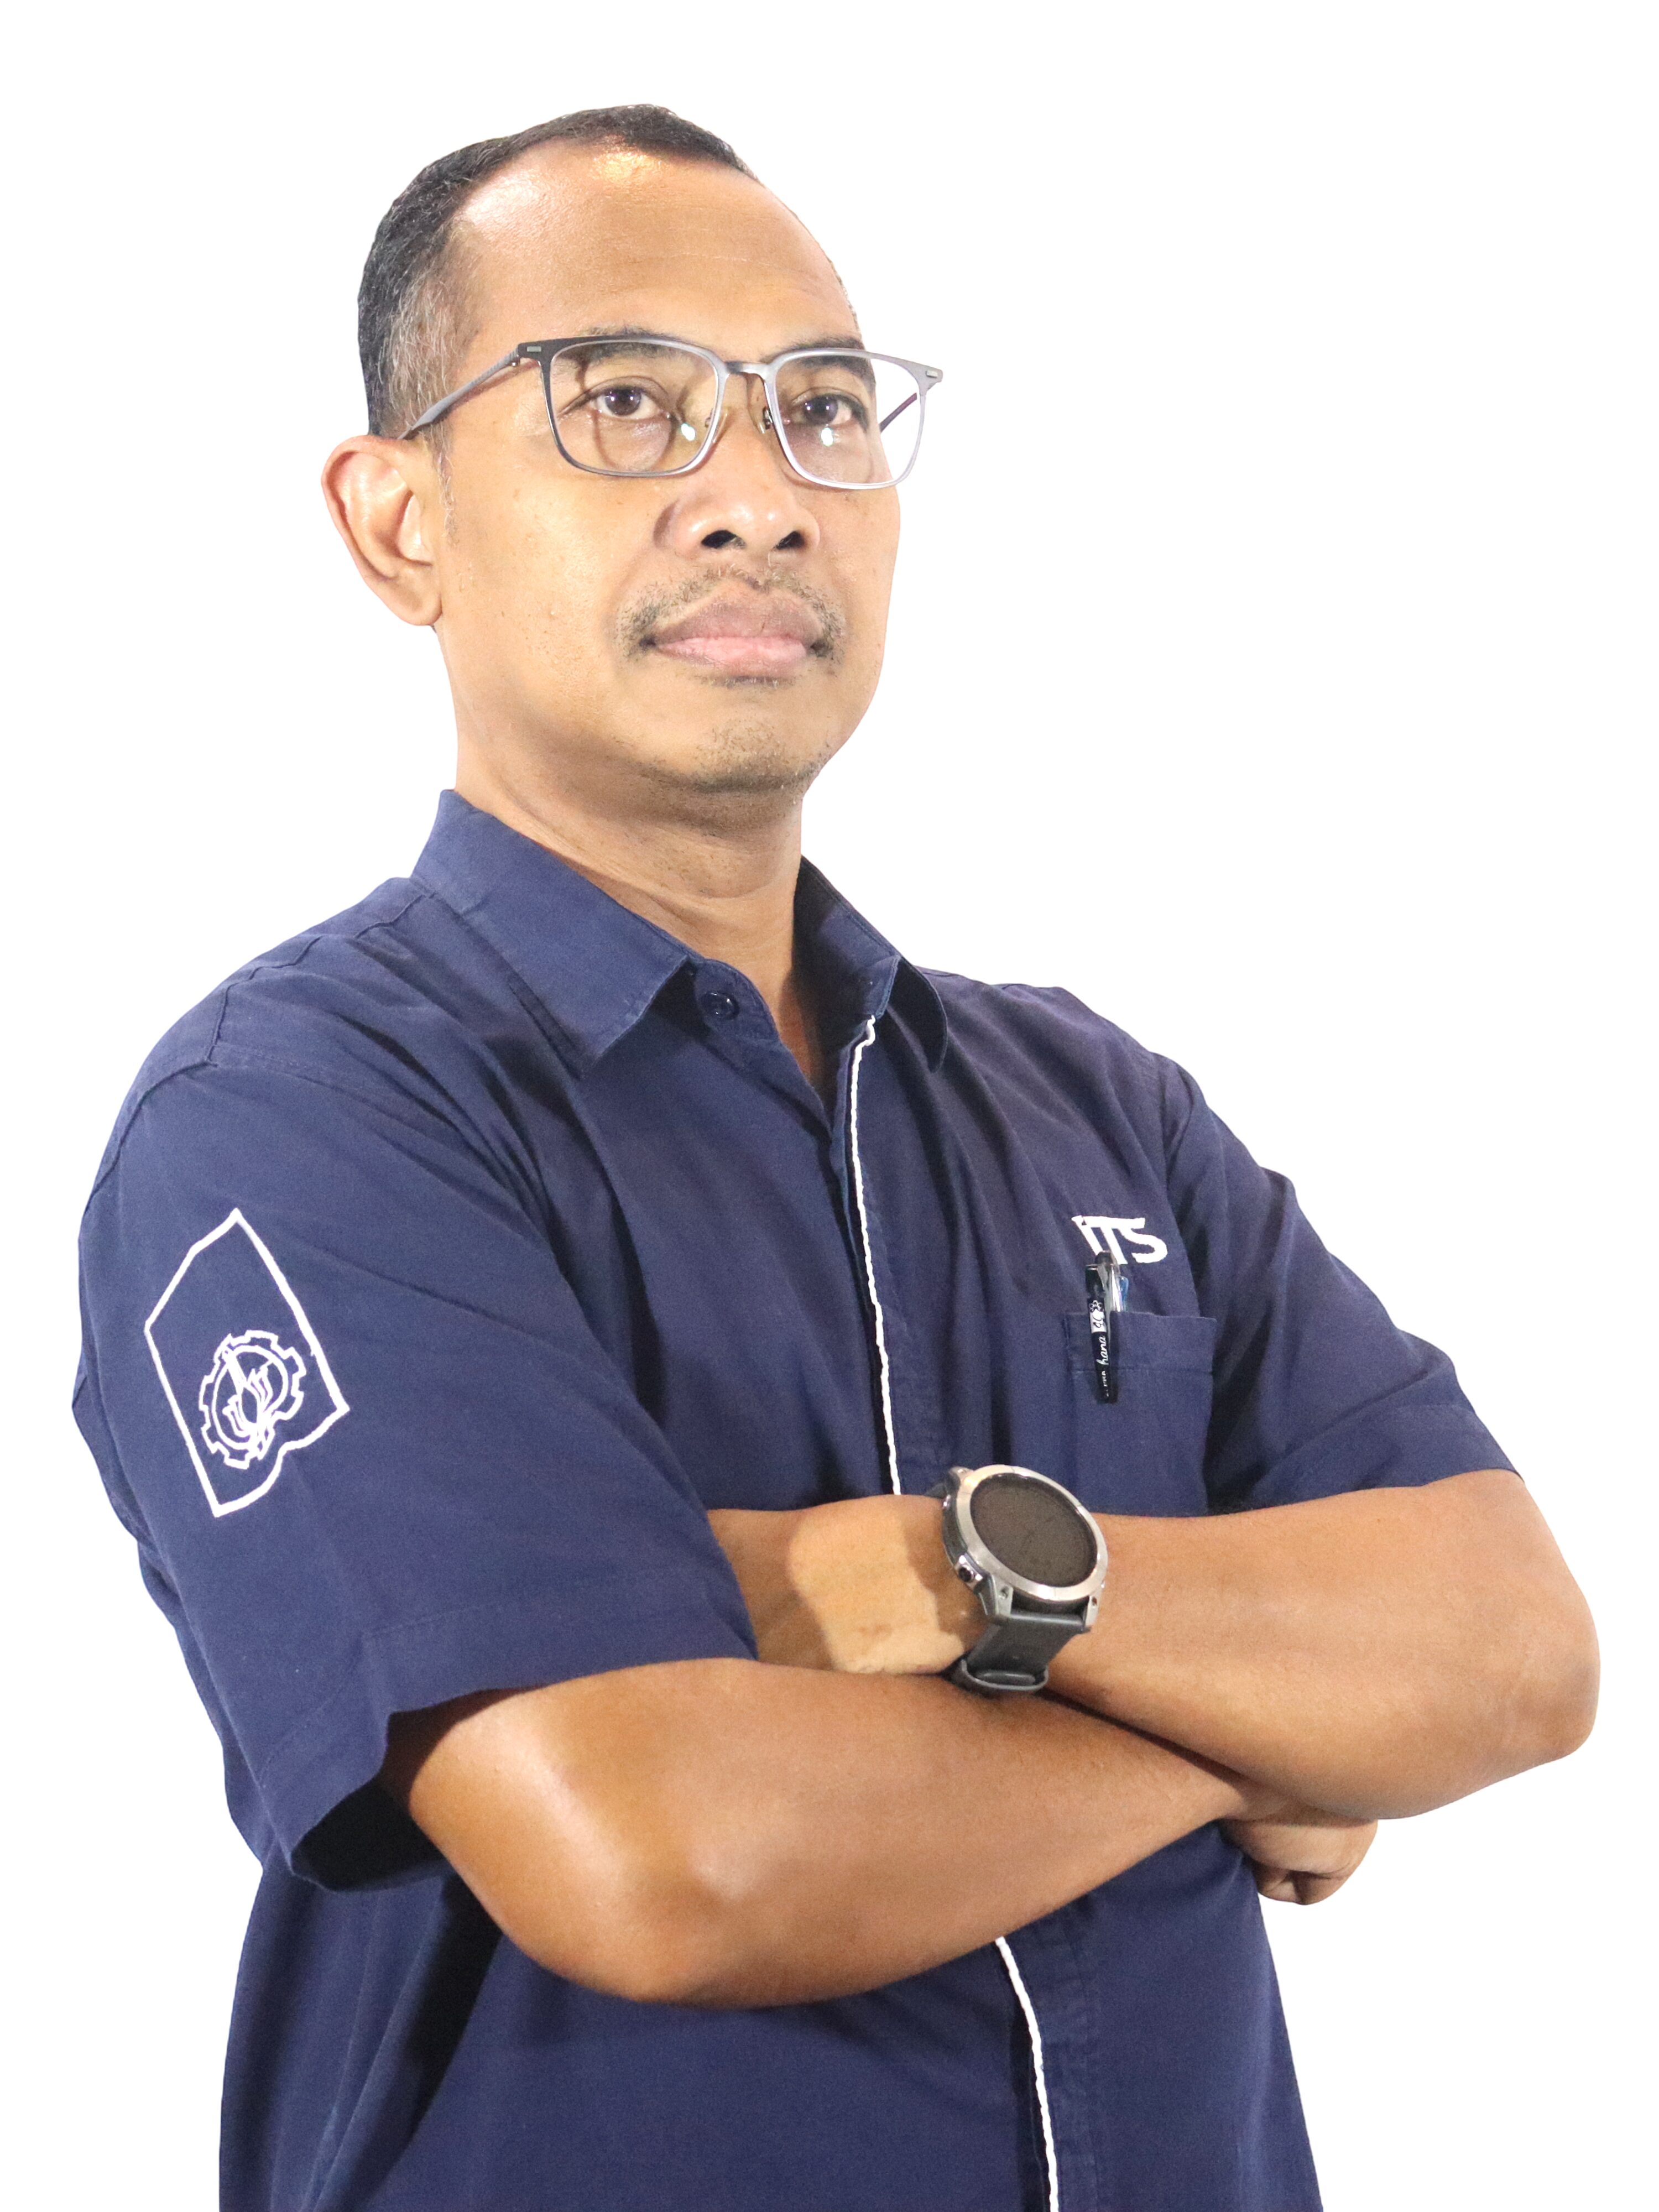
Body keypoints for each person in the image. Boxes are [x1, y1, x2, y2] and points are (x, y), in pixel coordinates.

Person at [75, 104, 1597, 2212]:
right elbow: (665, 1856)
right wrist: (1244, 1732)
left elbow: (1514, 1647)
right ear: (399, 522)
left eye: (823, 410)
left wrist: (938, 1575)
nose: (760, 496)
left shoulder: (1093, 1106)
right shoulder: (303, 1119)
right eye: (625, 403)